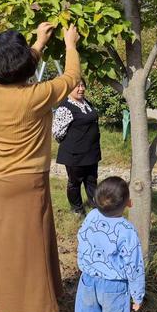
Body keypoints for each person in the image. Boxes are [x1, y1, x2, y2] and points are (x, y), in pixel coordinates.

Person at [0, 22, 81, 312]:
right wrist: (69, 44)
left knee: (10, 251)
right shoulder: (32, 98)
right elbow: (70, 80)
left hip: (2, 182)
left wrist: (38, 42)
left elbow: (20, 69)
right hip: (26, 185)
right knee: (21, 256)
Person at [75, 177, 145, 312]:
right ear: (128, 203)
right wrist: (137, 295)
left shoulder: (90, 217)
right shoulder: (127, 230)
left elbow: (82, 241)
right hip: (114, 287)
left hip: (88, 282)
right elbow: (134, 265)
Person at [52, 78, 101, 216]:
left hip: (91, 152)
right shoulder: (65, 108)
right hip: (75, 154)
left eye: (82, 85)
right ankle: (77, 209)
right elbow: (57, 132)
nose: (81, 89)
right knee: (75, 182)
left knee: (91, 180)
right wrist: (74, 143)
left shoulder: (86, 103)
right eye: (77, 86)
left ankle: (96, 207)